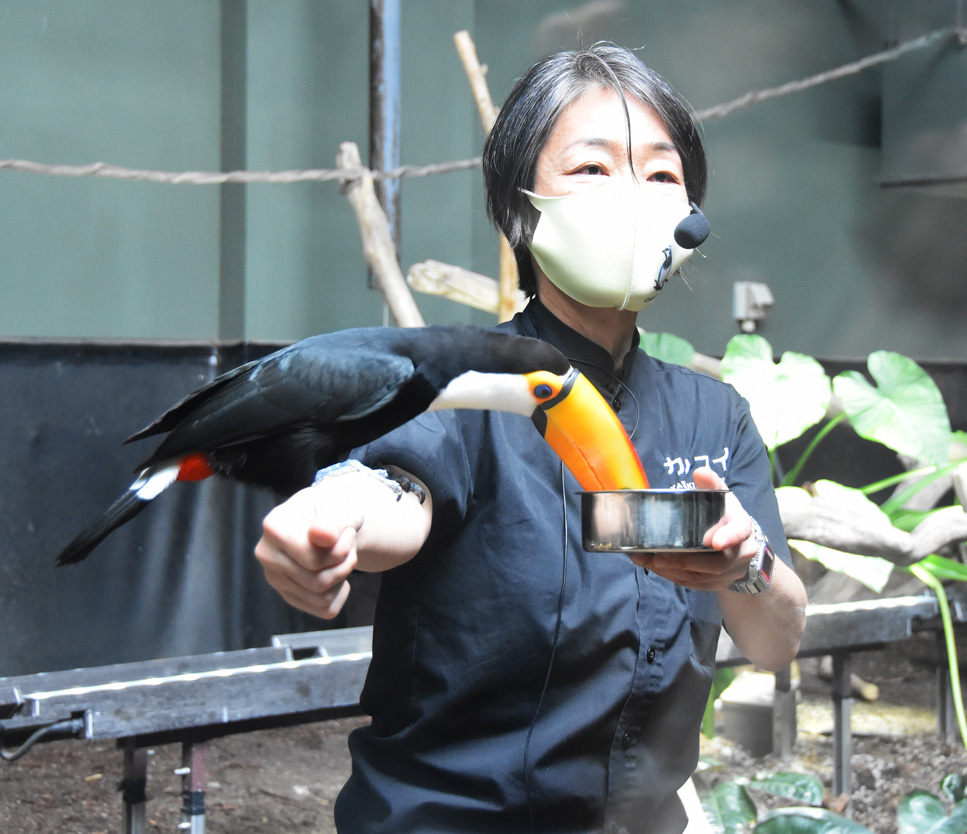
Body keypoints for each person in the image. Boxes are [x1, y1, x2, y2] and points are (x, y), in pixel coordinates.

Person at [255, 44, 807, 834]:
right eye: (591, 169)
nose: (632, 195)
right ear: (521, 208)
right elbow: (394, 494)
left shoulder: (713, 419)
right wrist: (330, 518)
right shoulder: (464, 385)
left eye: (660, 175)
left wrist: (745, 564)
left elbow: (777, 644)